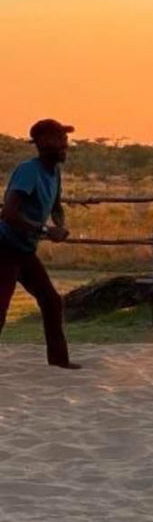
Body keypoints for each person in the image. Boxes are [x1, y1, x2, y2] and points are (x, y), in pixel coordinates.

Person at [0, 119, 79, 369]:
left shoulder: (54, 172)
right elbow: (9, 214)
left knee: (52, 301)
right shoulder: (28, 171)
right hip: (4, 248)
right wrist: (45, 229)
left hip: (24, 250)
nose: (66, 144)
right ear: (44, 142)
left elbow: (55, 206)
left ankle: (59, 362)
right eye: (60, 138)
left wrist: (60, 223)